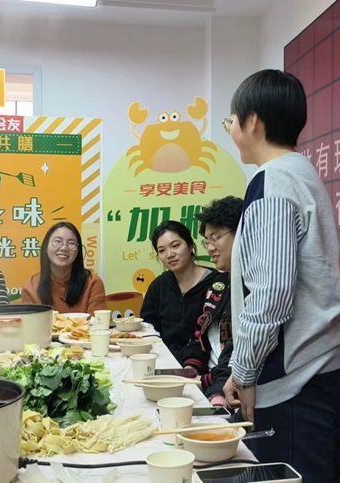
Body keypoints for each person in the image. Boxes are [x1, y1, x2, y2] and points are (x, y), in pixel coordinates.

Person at [222, 69, 340, 482]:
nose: (231, 130)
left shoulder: (273, 180)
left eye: (231, 121)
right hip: (317, 370)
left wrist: (244, 371)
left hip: (296, 382)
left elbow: (270, 293)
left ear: (252, 121)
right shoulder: (300, 172)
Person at [179, 196, 243, 407]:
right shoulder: (219, 284)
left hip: (228, 388)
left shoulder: (254, 287)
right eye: (207, 241)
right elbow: (199, 335)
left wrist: (212, 388)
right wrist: (190, 369)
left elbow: (238, 352)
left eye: (216, 238)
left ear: (241, 232)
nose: (210, 248)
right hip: (208, 382)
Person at [141, 220, 216, 361]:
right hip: (164, 360)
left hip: (203, 363)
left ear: (190, 246)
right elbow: (148, 327)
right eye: (162, 250)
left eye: (175, 246)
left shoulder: (216, 284)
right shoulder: (158, 286)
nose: (169, 254)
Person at [21, 222, 107, 313]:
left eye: (71, 243)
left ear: (78, 251)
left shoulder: (92, 283)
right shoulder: (31, 288)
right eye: (58, 241)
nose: (64, 248)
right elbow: (31, 322)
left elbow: (98, 321)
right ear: (46, 247)